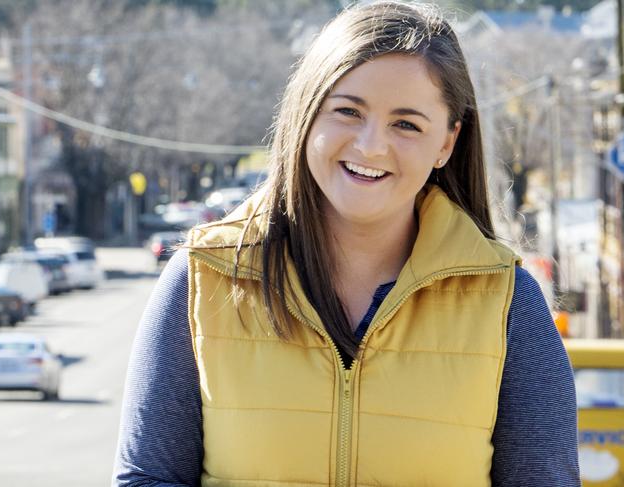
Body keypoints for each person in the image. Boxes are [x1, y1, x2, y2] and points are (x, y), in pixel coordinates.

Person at [113, 2, 580, 486]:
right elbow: (147, 476)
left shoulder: (507, 303)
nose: (370, 145)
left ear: (447, 142)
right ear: (307, 113)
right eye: (348, 111)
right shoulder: (201, 279)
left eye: (406, 124)